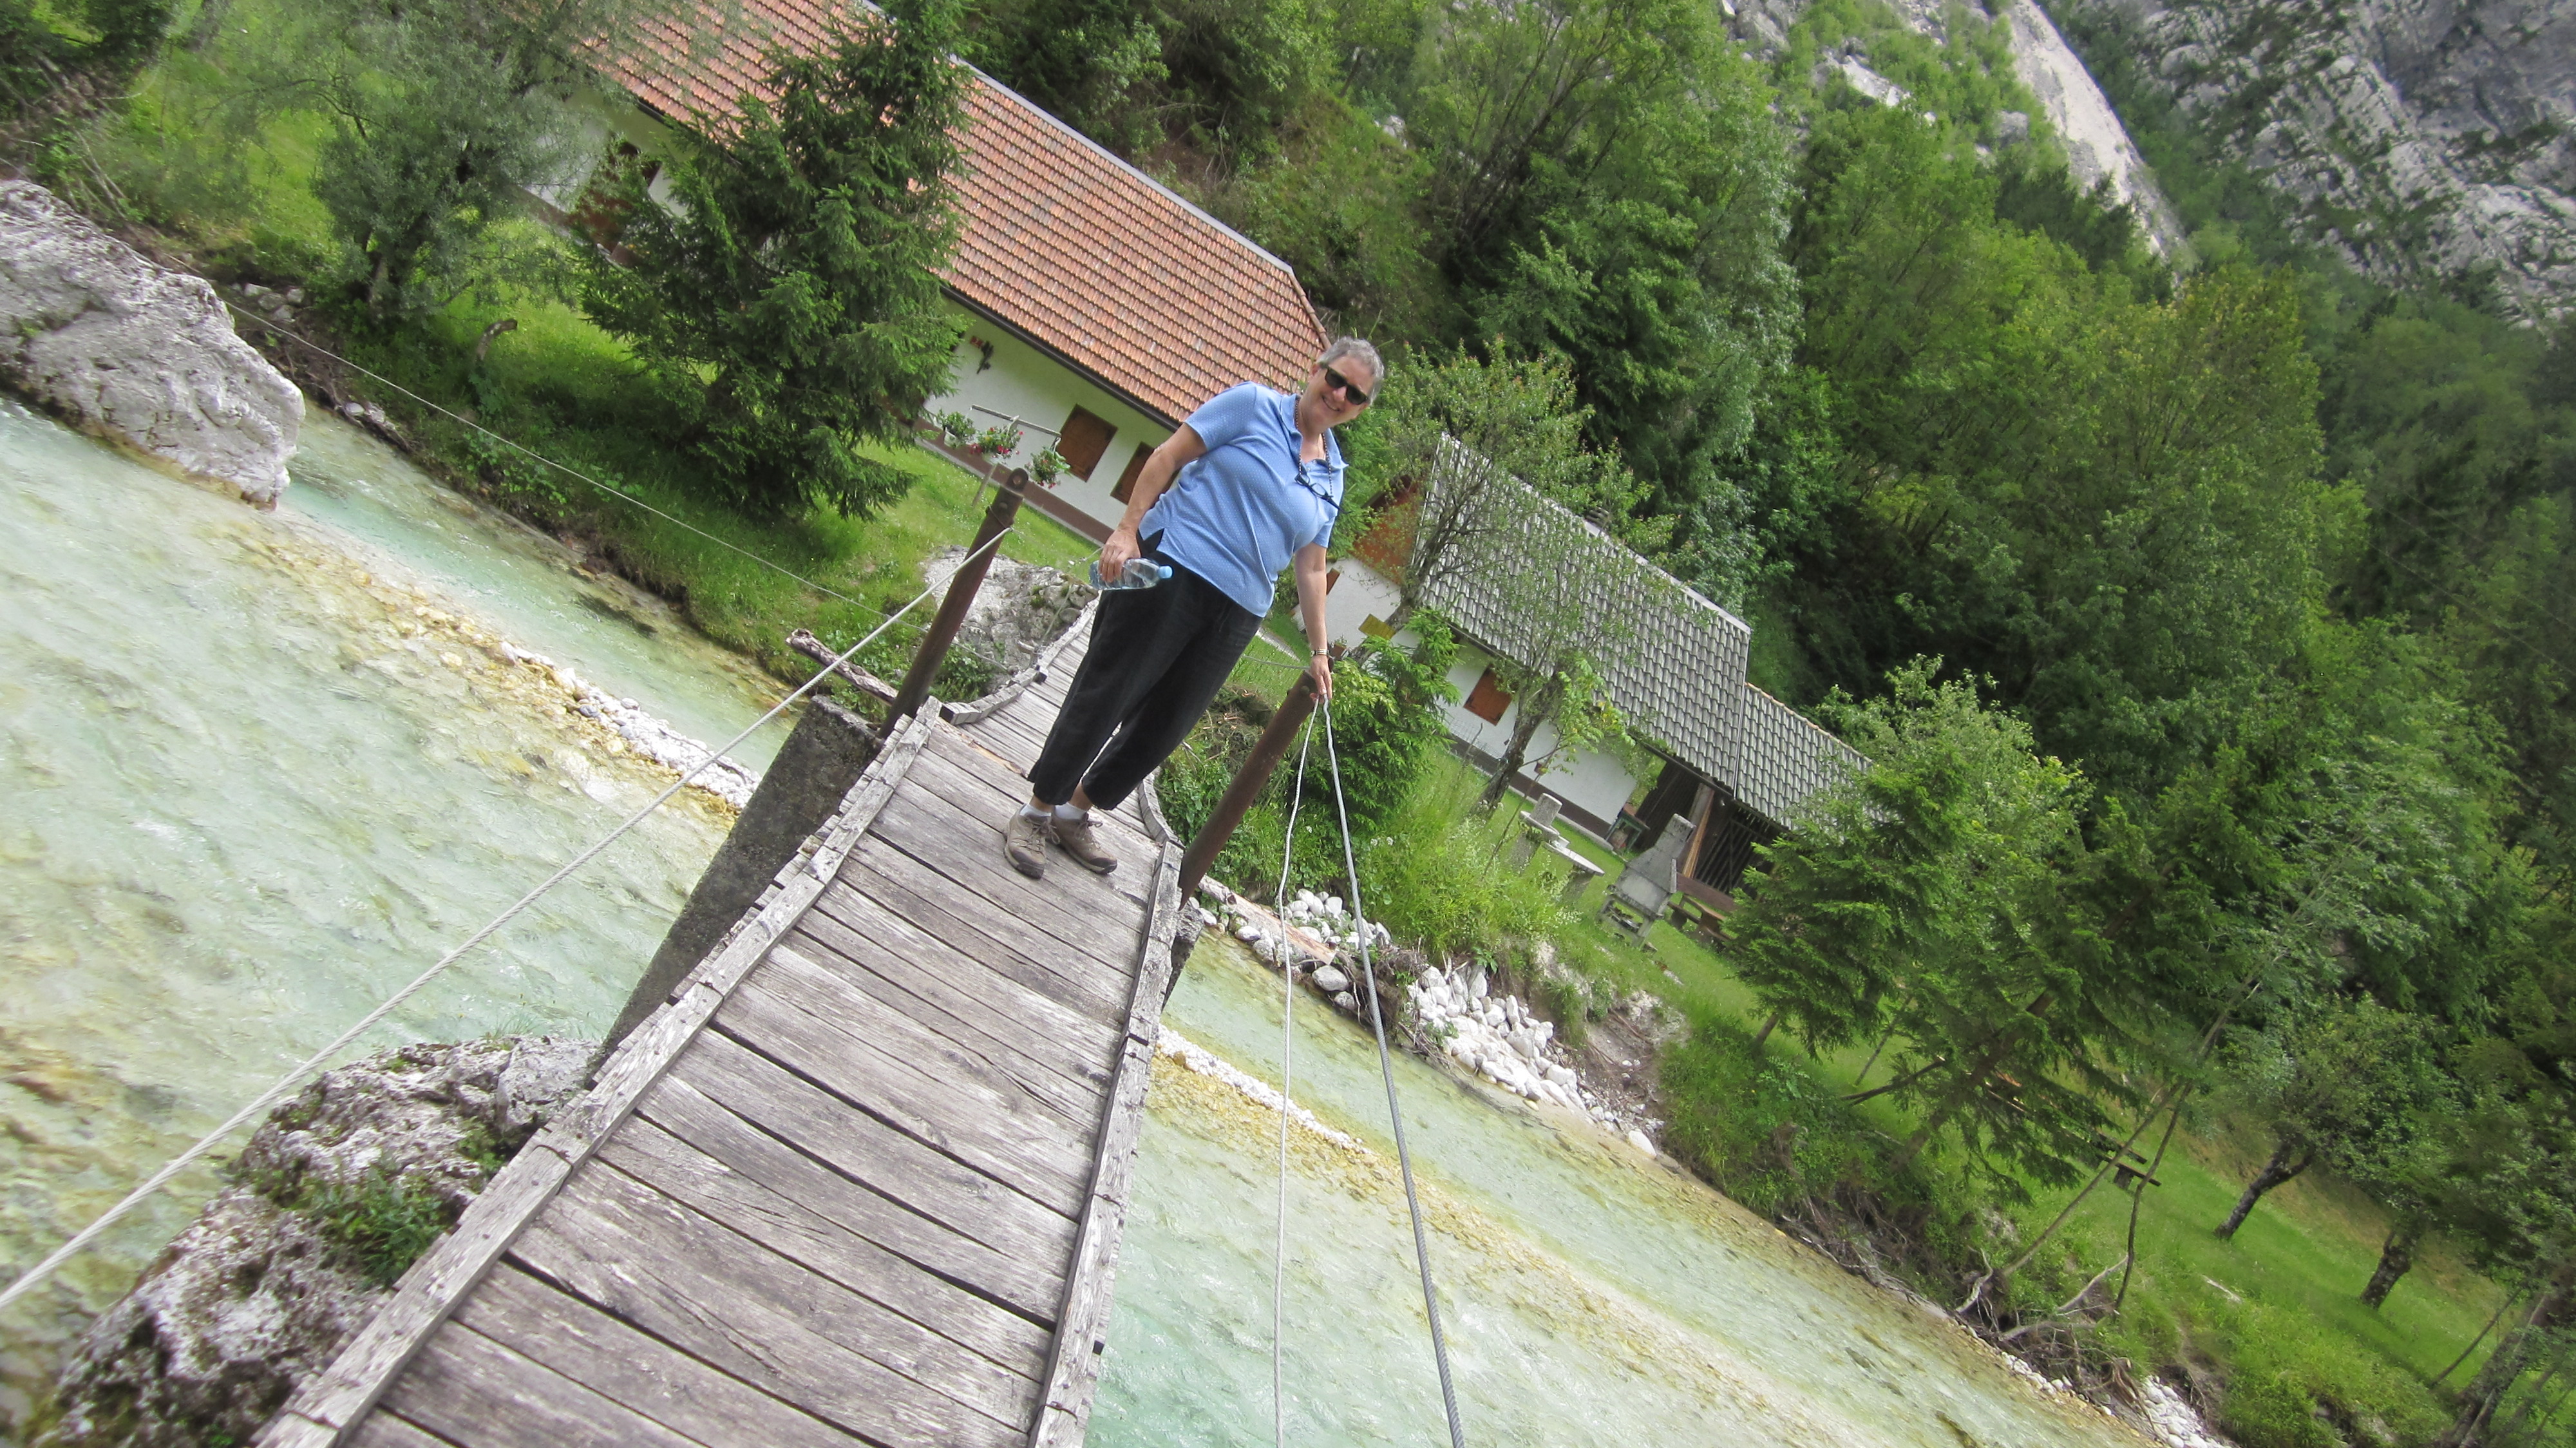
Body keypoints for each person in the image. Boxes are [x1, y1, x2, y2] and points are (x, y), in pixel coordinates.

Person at [1005, 338, 1381, 878]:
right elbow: (1168, 456)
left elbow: (1312, 566)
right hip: (1172, 568)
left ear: (1362, 408)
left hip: (1238, 612)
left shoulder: (1333, 475)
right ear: (1315, 369)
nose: (1340, 394)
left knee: (1165, 725)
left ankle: (1074, 812)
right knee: (1108, 692)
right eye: (1336, 379)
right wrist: (1126, 530)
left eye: (1355, 393)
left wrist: (1320, 651)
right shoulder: (1252, 405)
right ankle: (1035, 811)